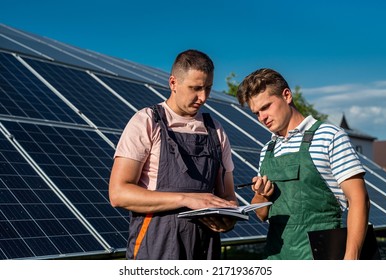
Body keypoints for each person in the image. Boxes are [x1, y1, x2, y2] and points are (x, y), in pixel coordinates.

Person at [109, 49, 237, 260]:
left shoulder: (216, 130)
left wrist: (229, 217)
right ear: (173, 83)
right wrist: (186, 199)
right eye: (195, 88)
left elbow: (228, 197)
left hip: (205, 250)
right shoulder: (147, 122)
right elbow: (118, 193)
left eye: (208, 88)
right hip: (156, 248)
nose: (203, 97)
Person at [236, 68, 370, 260]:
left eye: (266, 107)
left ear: (287, 95)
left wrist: (351, 259)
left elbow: (359, 200)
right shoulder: (268, 150)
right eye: (257, 113)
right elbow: (262, 214)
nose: (262, 118)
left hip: (323, 257)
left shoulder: (329, 136)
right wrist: (259, 194)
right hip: (277, 257)